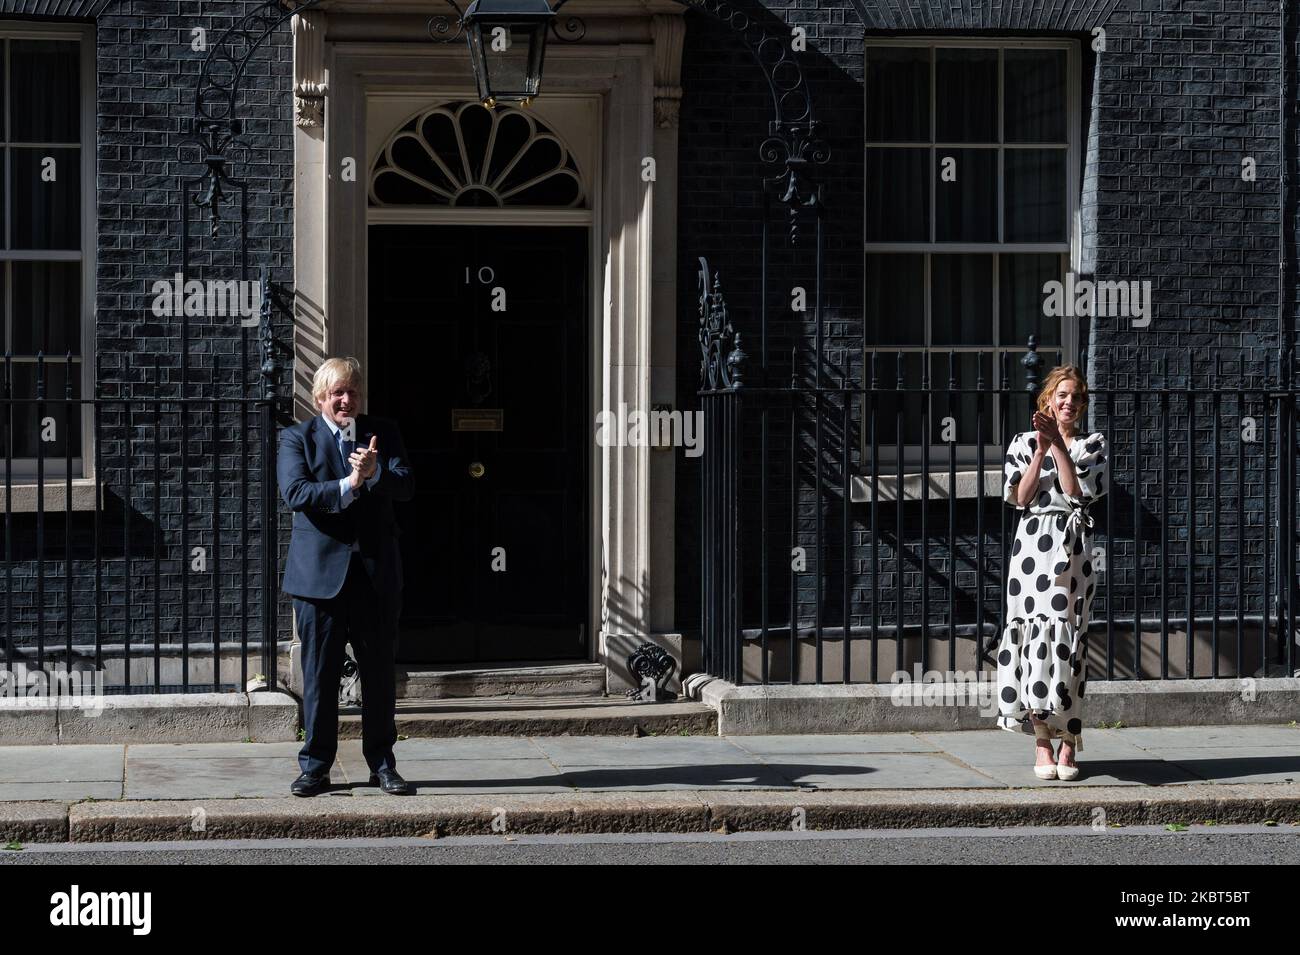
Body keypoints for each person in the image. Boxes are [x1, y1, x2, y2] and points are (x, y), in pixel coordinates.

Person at [277, 357, 415, 796]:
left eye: (353, 391)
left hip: (374, 576)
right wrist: (348, 484)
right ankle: (316, 765)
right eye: (337, 392)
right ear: (320, 399)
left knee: (378, 675)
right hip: (319, 579)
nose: (346, 400)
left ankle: (382, 763)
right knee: (319, 675)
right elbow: (296, 493)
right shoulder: (298, 437)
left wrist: (374, 474)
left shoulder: (383, 433)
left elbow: (407, 485)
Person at [996, 365, 1108, 782]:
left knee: (1067, 643)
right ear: (1048, 399)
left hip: (1071, 547)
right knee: (1031, 644)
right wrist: (1040, 448)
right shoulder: (1022, 444)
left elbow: (1076, 492)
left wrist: (1059, 445)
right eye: (1062, 395)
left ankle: (1068, 743)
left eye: (1077, 397)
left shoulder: (1092, 445)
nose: (1070, 402)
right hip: (1030, 549)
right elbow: (1020, 498)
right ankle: (1042, 741)